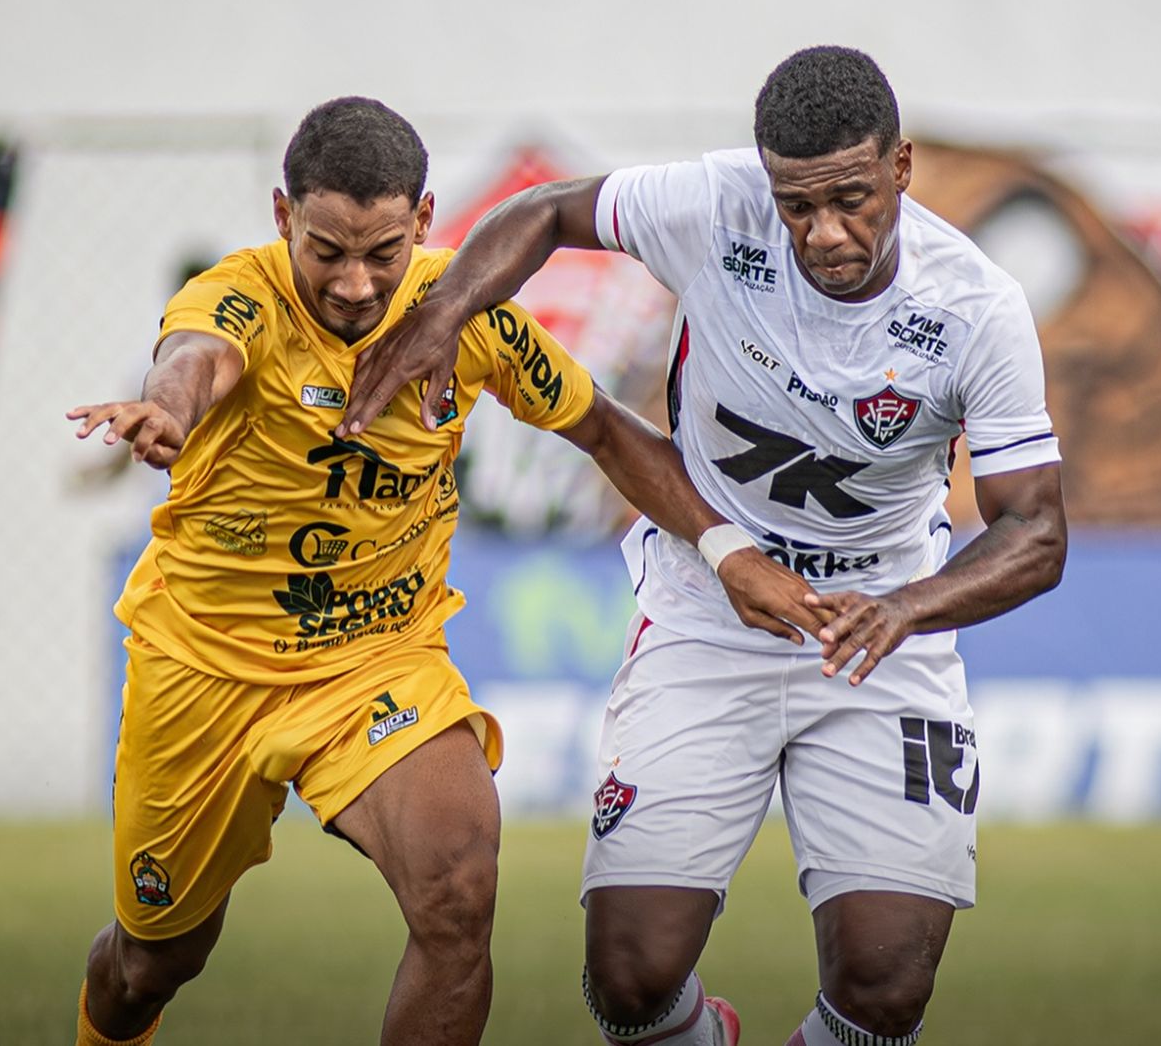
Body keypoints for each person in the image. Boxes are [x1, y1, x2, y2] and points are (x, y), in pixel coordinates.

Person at [341, 48, 1068, 1046]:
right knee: (628, 977)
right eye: (795, 204)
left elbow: (1036, 530)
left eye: (852, 198)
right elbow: (547, 211)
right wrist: (443, 313)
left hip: (876, 635)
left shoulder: (977, 308)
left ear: (902, 165)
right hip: (704, 613)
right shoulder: (714, 203)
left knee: (886, 983)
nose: (822, 232)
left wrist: (905, 608)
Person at [65, 96, 827, 1046]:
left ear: (425, 223)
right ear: (280, 217)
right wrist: (168, 413)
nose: (352, 284)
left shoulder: (464, 314)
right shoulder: (239, 295)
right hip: (205, 670)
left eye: (382, 252)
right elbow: (194, 356)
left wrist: (728, 551)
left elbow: (600, 427)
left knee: (460, 890)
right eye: (326, 250)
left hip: (374, 662)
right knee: (155, 960)